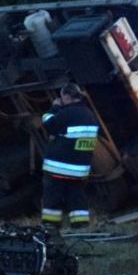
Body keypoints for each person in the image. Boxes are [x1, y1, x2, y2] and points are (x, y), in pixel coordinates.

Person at [40, 82, 98, 230]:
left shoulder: (66, 113)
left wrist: (55, 107)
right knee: (77, 196)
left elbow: (48, 124)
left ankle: (50, 226)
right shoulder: (89, 114)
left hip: (59, 167)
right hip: (80, 169)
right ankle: (81, 225)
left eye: (62, 97)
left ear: (66, 96)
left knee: (52, 197)